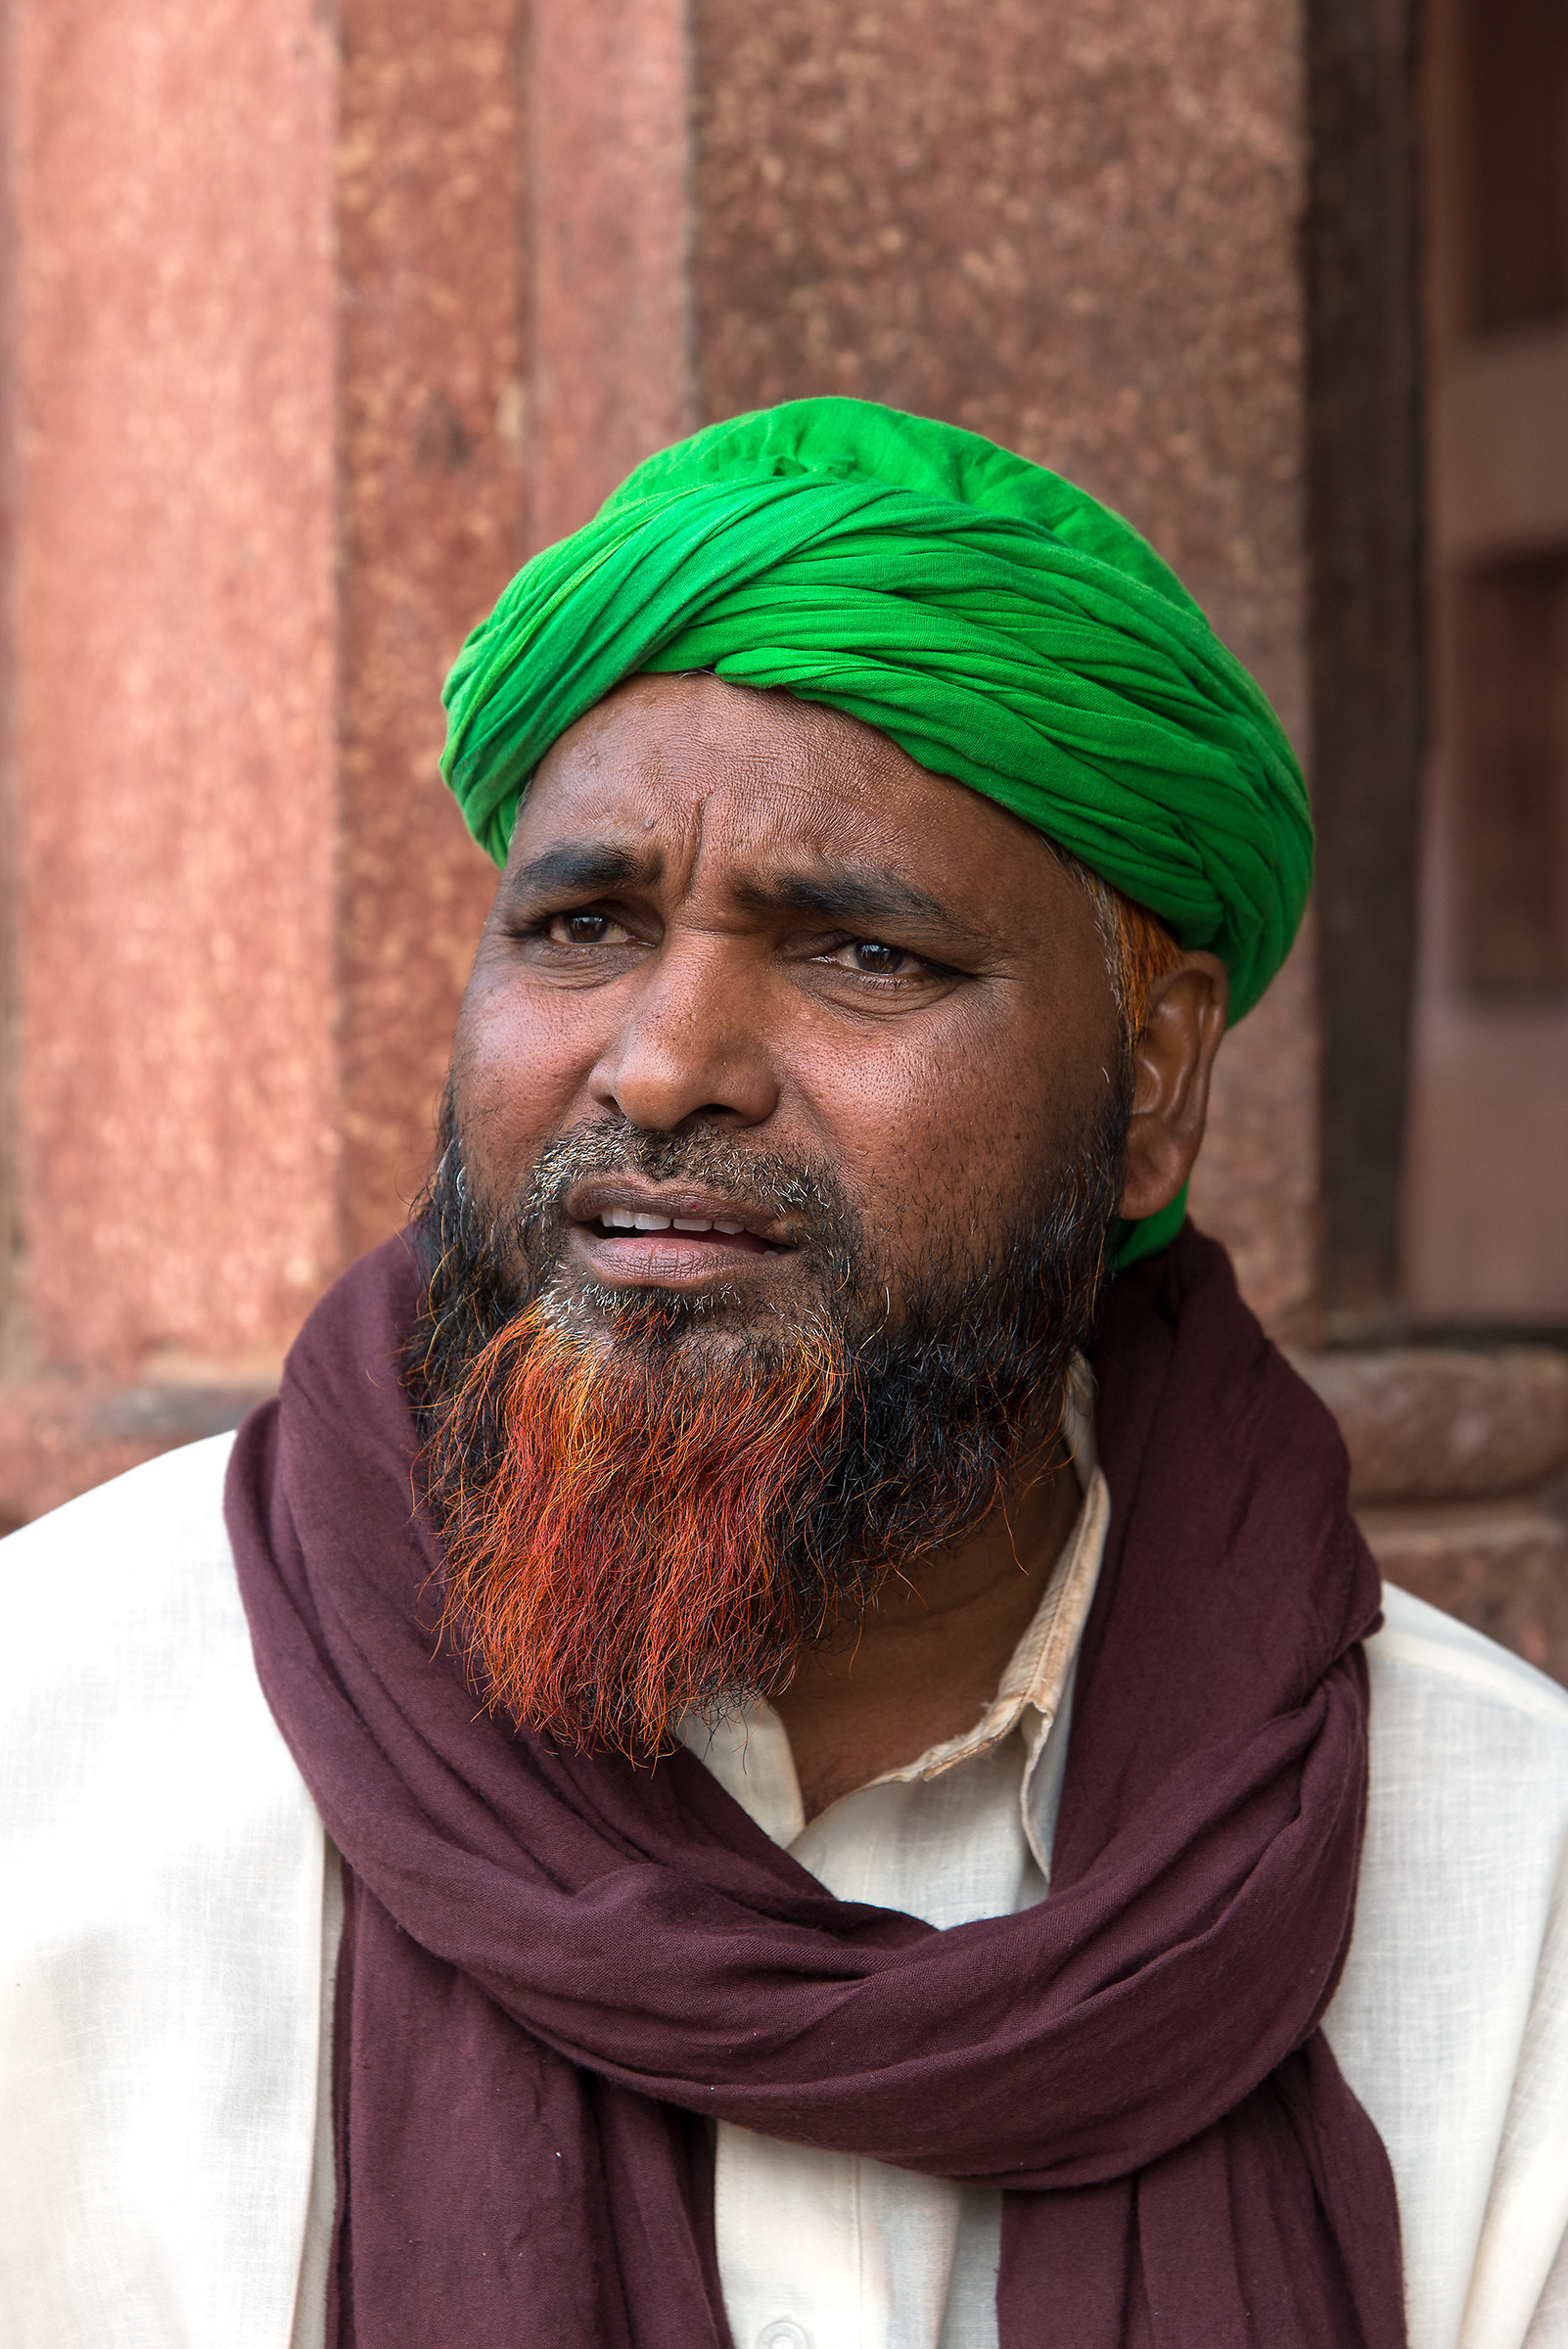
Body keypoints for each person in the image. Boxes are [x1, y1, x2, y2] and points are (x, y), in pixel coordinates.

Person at [3, 398, 1566, 2349]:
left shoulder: (1501, 1868)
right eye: (583, 925)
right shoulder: (56, 1745)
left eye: (861, 958)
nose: (663, 1065)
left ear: (1153, 1081)